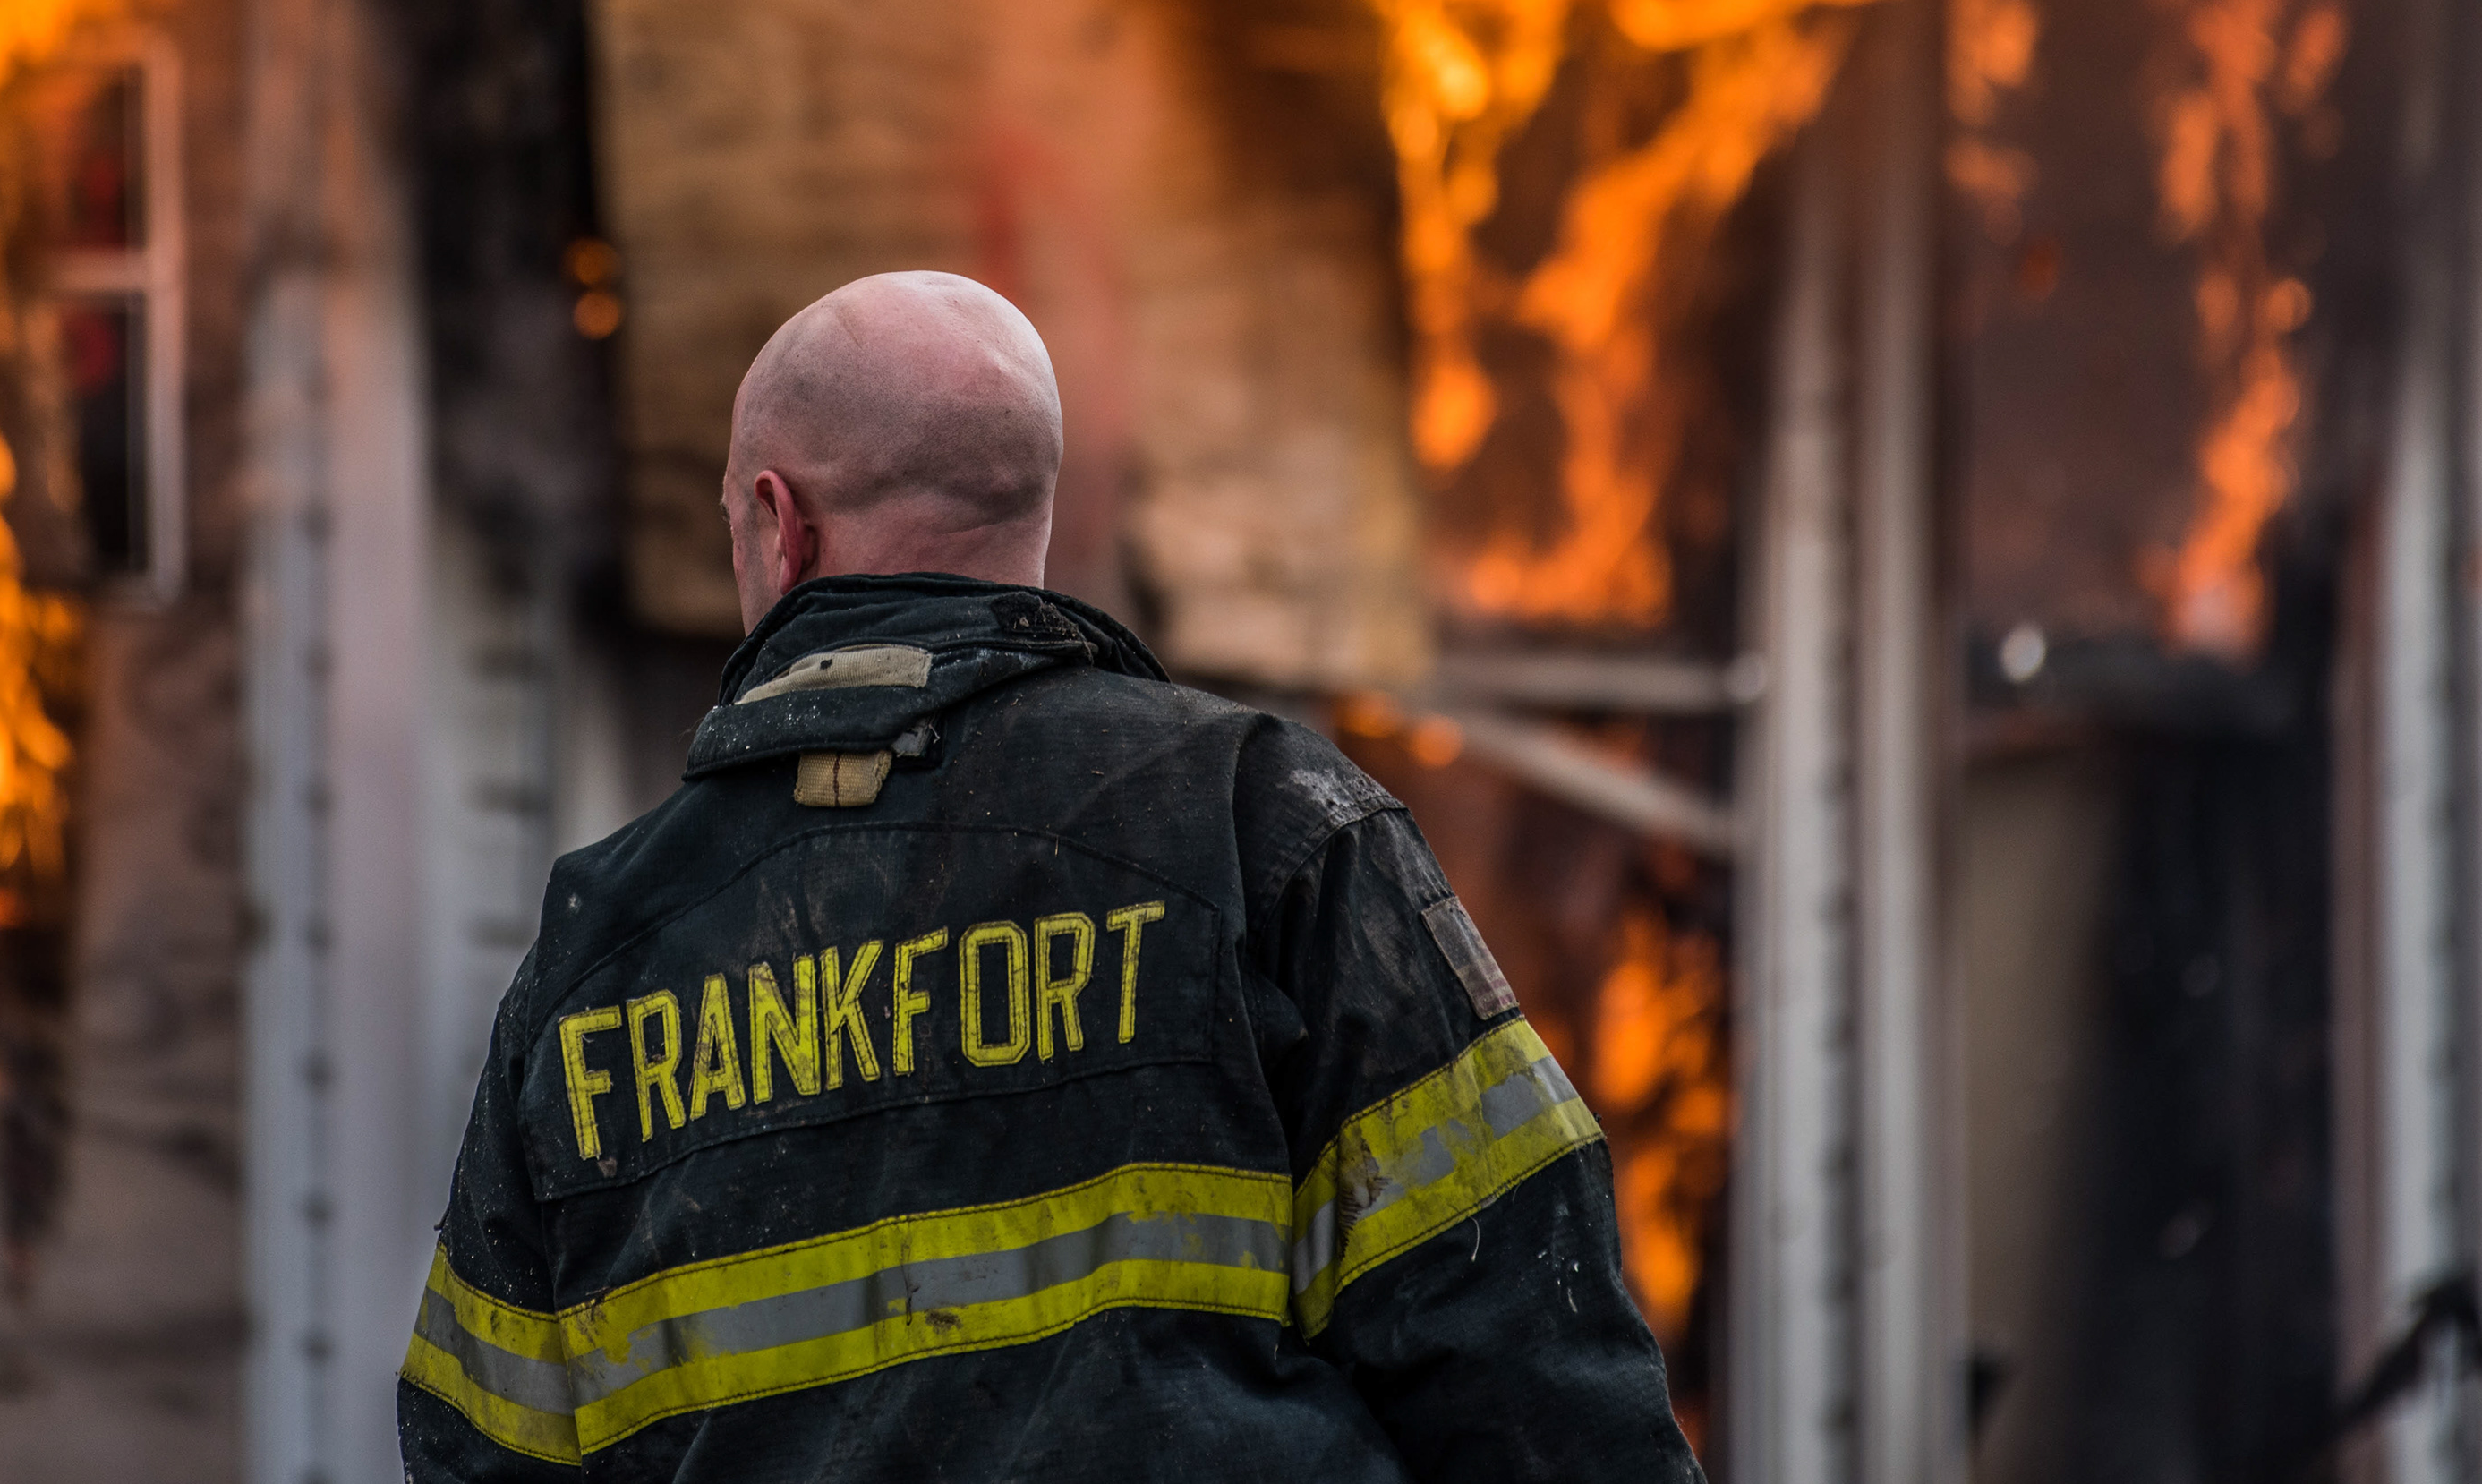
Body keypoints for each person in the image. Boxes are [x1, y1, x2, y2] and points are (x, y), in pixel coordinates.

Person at [399, 271, 1699, 1480]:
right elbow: (1530, 1347)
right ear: (1034, 512)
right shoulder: (1257, 817)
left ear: (780, 526)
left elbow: (480, 1449)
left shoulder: (596, 947)